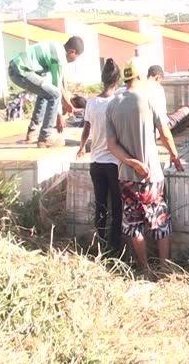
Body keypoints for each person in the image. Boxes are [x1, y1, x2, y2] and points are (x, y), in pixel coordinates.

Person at [105, 57, 184, 271]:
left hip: (127, 177)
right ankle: (165, 267)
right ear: (139, 76)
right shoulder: (148, 100)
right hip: (151, 176)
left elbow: (111, 145)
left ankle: (146, 269)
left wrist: (131, 162)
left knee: (134, 224)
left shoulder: (112, 104)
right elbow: (165, 134)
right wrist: (175, 157)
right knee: (159, 221)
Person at [76, 59, 123, 251]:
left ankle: (101, 243)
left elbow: (86, 129)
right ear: (117, 81)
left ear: (102, 80)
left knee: (101, 204)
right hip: (114, 163)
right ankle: (115, 246)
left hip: (95, 162)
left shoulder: (92, 103)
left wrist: (81, 147)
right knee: (118, 207)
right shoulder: (117, 103)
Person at [8, 36, 84, 148]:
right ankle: (45, 138)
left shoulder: (57, 48)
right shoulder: (59, 58)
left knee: (45, 93)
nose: (75, 60)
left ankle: (32, 133)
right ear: (72, 52)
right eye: (77, 57)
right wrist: (59, 116)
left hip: (17, 68)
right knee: (54, 95)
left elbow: (61, 82)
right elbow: (57, 89)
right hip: (21, 71)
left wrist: (68, 102)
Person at [147, 65, 189, 134]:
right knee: (186, 110)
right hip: (160, 128)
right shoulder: (158, 88)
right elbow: (162, 117)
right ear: (158, 77)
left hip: (146, 127)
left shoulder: (139, 87)